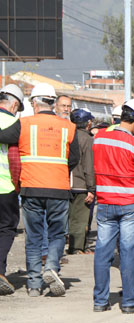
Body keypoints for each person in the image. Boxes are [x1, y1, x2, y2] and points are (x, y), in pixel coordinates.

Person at [91, 98, 134, 313]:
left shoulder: (99, 138)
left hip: (106, 202)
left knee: (102, 252)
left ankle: (100, 301)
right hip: (131, 205)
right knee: (128, 253)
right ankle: (130, 301)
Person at [19, 82, 80, 297]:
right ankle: (51, 268)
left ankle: (34, 285)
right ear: (53, 104)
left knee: (34, 237)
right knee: (56, 235)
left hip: (31, 187)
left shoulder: (23, 124)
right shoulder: (69, 127)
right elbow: (74, 158)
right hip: (58, 188)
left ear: (34, 103)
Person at [0, 84, 23, 295]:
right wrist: (18, 185)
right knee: (6, 229)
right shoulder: (15, 123)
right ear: (14, 104)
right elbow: (16, 160)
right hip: (5, 187)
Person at [67, 109, 96, 255]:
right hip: (81, 185)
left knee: (70, 217)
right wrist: (91, 188)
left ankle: (78, 246)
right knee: (80, 219)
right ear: (88, 123)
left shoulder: (67, 135)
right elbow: (89, 166)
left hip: (65, 183)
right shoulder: (88, 140)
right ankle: (77, 248)